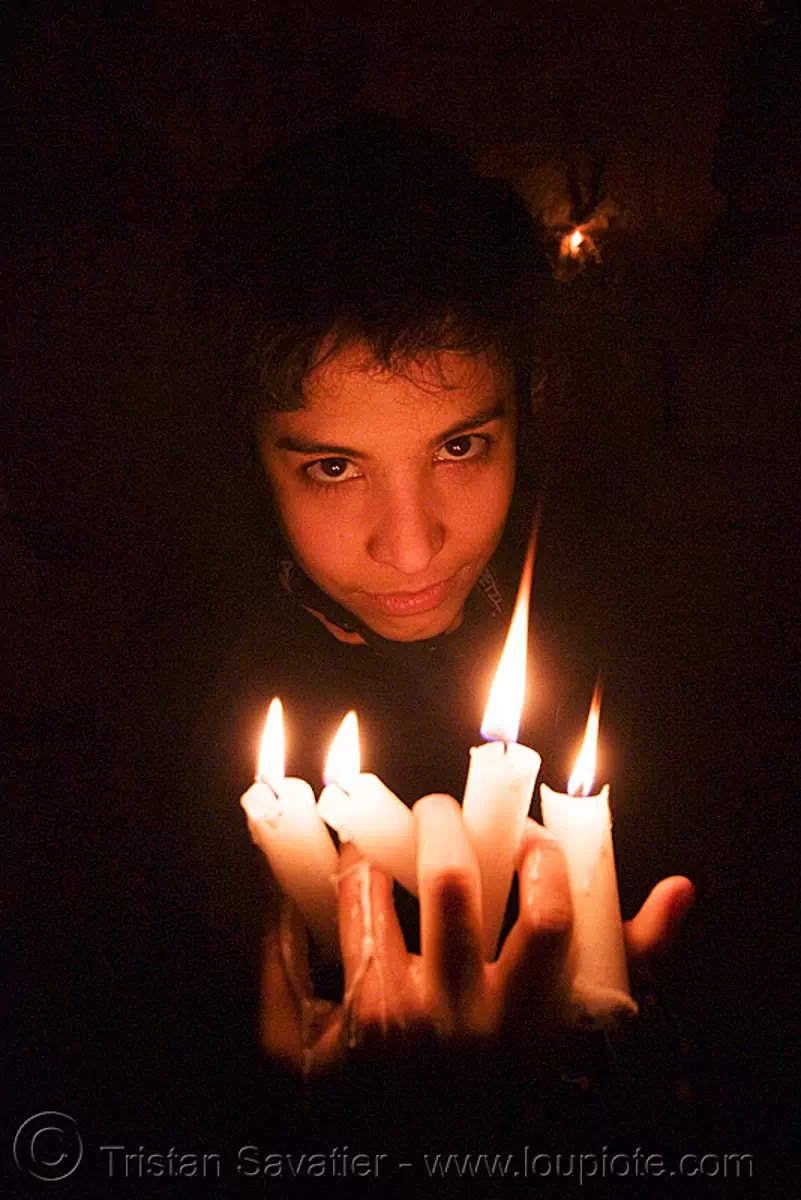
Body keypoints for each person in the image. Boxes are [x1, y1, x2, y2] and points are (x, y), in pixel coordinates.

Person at [187, 114, 694, 1157]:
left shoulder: (645, 653)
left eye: (461, 444)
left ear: (526, 413)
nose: (413, 551)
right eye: (333, 466)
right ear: (251, 459)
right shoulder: (185, 738)